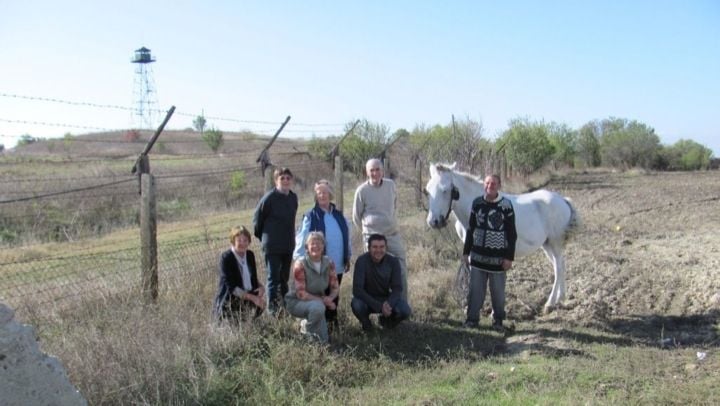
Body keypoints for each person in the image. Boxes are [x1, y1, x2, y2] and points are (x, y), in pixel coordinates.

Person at [462, 174, 517, 332]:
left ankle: (498, 320)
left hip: (498, 260)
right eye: (487, 183)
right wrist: (466, 253)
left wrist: (508, 257)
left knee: (498, 293)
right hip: (478, 258)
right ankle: (472, 319)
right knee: (475, 291)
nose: (490, 186)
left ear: (499, 185)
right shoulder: (477, 203)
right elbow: (471, 229)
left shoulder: (506, 205)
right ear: (483, 185)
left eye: (493, 183)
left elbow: (512, 233)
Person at [293, 180, 351, 327]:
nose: (322, 195)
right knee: (319, 295)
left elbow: (346, 236)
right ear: (316, 195)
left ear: (330, 194)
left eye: (325, 192)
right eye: (319, 192)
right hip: (317, 265)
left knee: (334, 292)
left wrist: (348, 255)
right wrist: (299, 260)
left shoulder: (339, 215)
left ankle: (333, 324)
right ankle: (318, 326)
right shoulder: (311, 216)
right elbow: (301, 239)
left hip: (336, 263)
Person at [352, 158, 408, 301]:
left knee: (400, 270)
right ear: (367, 172)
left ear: (383, 171)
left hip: (391, 235)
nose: (375, 173)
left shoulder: (391, 186)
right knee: (372, 274)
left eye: (378, 170)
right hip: (372, 238)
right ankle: (376, 306)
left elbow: (394, 206)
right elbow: (356, 217)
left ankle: (400, 304)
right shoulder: (362, 191)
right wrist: (370, 232)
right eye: (372, 170)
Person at [253, 167, 298, 316]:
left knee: (284, 278)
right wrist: (266, 238)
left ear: (291, 180)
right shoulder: (269, 198)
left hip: (288, 245)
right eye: (282, 178)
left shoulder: (293, 197)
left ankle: (283, 306)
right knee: (273, 278)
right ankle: (272, 310)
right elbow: (257, 221)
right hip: (272, 245)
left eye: (288, 178)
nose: (285, 181)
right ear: (276, 180)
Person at [285, 232, 339, 343]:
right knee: (318, 308)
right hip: (296, 302)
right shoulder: (300, 264)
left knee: (324, 341)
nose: (316, 246)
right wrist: (325, 302)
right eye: (312, 243)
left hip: (316, 303)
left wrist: (331, 297)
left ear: (323, 246)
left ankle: (310, 332)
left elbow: (335, 287)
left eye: (319, 243)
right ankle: (305, 332)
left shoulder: (329, 263)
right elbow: (301, 294)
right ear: (307, 247)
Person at [351, 233, 412, 331]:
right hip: (366, 300)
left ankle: (386, 323)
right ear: (369, 248)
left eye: (382, 247)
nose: (378, 250)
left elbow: (397, 288)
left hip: (385, 298)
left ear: (386, 248)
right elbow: (357, 290)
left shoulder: (393, 262)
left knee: (405, 310)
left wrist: (389, 304)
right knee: (356, 304)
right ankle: (366, 325)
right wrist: (379, 306)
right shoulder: (361, 261)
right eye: (374, 247)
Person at [212, 226, 265, 322]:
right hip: (231, 300)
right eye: (239, 240)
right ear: (233, 241)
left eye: (245, 240)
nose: (243, 243)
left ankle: (251, 322)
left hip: (248, 295)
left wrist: (261, 287)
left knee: (262, 305)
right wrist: (253, 298)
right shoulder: (226, 258)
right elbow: (231, 288)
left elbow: (253, 277)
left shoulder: (250, 255)